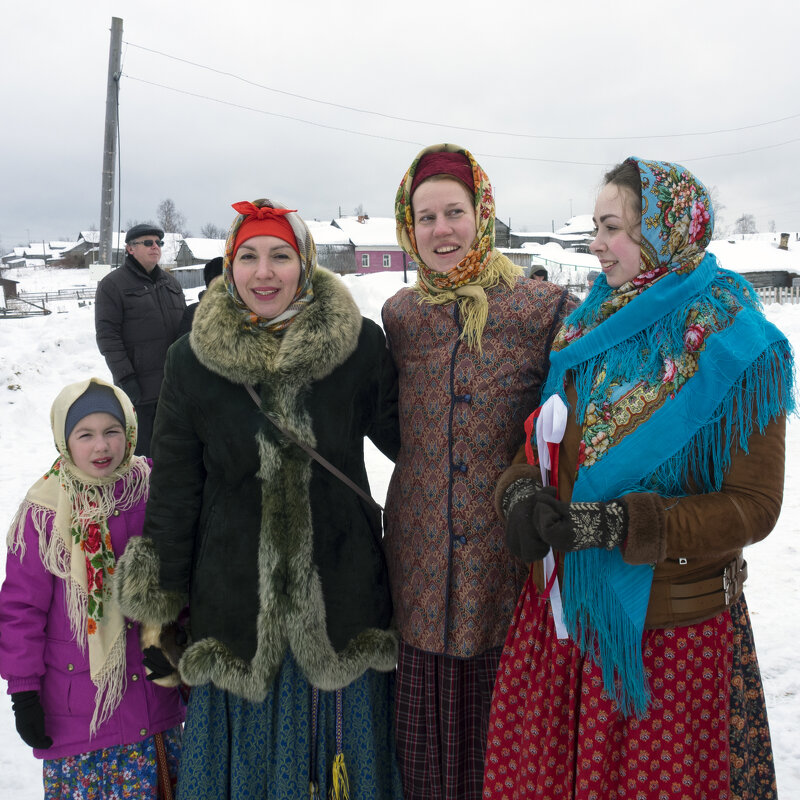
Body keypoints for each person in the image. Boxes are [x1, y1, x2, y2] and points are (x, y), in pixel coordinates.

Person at [484, 157, 793, 798]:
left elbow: (754, 506)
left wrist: (625, 522)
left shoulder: (736, 344)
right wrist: (519, 495)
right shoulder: (586, 327)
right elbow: (540, 443)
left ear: (663, 229)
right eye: (596, 226)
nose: (595, 244)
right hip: (566, 624)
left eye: (611, 226)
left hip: (667, 639)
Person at [113, 199, 403, 798]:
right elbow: (174, 489)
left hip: (342, 591)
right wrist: (160, 610)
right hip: (237, 599)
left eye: (280, 256)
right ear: (229, 263)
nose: (263, 272)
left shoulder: (358, 346)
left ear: (306, 263)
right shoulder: (190, 361)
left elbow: (412, 441)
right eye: (248, 256)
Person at [381, 143, 570, 800]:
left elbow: (568, 426)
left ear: (482, 212)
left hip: (504, 556)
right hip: (419, 553)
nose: (441, 230)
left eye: (453, 212)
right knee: (426, 753)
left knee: (504, 738)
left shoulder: (541, 309)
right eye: (425, 216)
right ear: (409, 226)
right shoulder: (401, 316)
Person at [0, 377, 185, 799]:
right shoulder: (43, 514)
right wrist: (23, 693)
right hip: (79, 716)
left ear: (131, 432)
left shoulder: (151, 488)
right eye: (85, 435)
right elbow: (19, 610)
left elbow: (180, 575)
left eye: (112, 432)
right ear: (65, 440)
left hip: (154, 702)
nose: (101, 446)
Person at [95, 224, 186, 457]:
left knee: (179, 451)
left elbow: (184, 330)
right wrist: (126, 378)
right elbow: (108, 336)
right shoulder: (113, 285)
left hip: (176, 386)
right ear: (130, 249)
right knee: (145, 457)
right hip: (141, 392)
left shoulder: (171, 284)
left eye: (158, 243)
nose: (155, 247)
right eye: (148, 242)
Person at [177, 255, 223, 336]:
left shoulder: (244, 310)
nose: (222, 285)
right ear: (209, 284)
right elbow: (183, 345)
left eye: (225, 280)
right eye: (217, 281)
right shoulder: (192, 312)